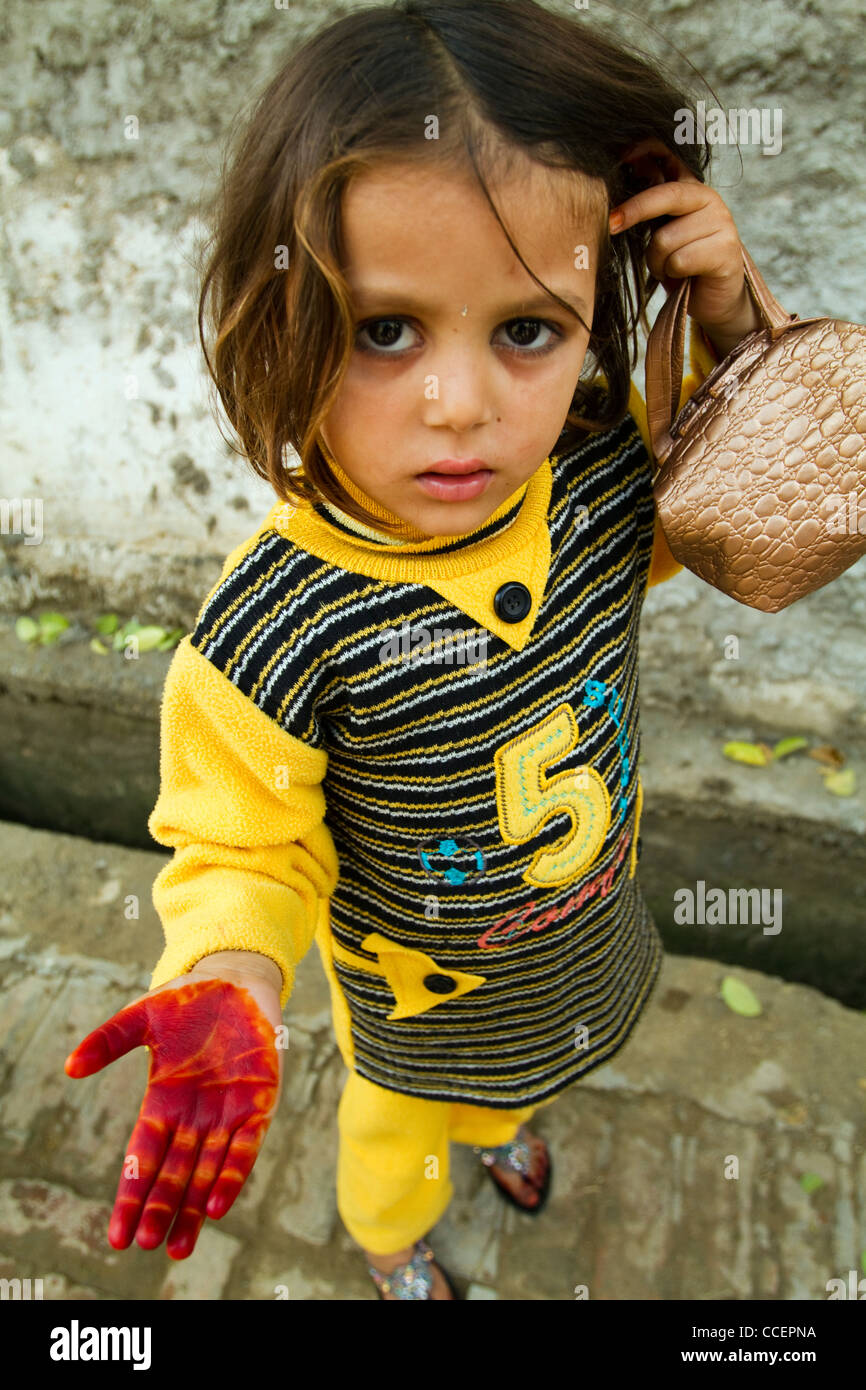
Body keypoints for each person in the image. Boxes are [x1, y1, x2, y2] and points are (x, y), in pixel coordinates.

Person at [65, 0, 770, 1300]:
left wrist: (725, 312)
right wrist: (226, 977)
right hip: (418, 1014)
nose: (463, 403)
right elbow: (240, 848)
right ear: (281, 312)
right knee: (396, 1145)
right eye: (386, 330)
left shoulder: (601, 467)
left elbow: (750, 501)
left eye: (526, 328)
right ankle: (390, 1238)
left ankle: (504, 1126)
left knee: (535, 1074)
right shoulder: (276, 627)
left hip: (579, 942)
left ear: (590, 317)